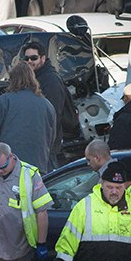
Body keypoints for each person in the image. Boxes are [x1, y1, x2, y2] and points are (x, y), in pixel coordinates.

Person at [0, 63, 56, 174]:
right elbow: (51, 138)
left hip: (10, 167)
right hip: (37, 168)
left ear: (12, 80)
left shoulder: (4, 101)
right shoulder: (47, 105)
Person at [21, 41, 79, 169]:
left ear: (43, 58)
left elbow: (54, 114)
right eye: (27, 58)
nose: (30, 61)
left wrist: (46, 141)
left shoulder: (50, 80)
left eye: (34, 58)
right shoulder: (34, 78)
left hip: (47, 145)